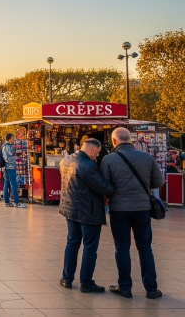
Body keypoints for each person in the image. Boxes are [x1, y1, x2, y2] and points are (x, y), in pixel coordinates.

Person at [100, 127, 164, 299]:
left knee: (122, 248)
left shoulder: (109, 159)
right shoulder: (147, 157)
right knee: (145, 248)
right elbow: (159, 181)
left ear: (114, 141)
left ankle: (125, 287)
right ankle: (151, 288)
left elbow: (104, 185)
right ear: (130, 139)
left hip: (118, 209)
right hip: (142, 209)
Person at [58, 138, 115, 292]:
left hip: (70, 209)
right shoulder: (88, 166)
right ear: (92, 150)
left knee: (72, 244)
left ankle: (67, 278)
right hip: (88, 211)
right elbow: (104, 188)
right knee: (90, 247)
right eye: (96, 152)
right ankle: (86, 282)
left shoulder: (67, 160)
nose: (97, 156)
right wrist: (112, 185)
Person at [1, 133, 26, 208]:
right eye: (12, 138)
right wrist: (17, 158)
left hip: (6, 167)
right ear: (10, 138)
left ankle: (7, 202)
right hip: (11, 167)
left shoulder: (3, 146)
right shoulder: (8, 147)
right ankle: (17, 202)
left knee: (6, 184)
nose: (13, 139)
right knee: (14, 184)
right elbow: (9, 158)